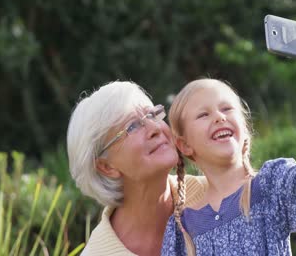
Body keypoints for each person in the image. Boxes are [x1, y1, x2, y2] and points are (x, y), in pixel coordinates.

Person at [161, 30, 296, 255]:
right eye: (203, 115)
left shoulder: (272, 187)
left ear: (244, 130)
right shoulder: (183, 229)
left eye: (226, 108)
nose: (219, 117)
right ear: (184, 145)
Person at [67, 81, 207, 256]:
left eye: (152, 115)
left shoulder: (221, 194)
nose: (155, 128)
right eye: (132, 126)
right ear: (106, 166)